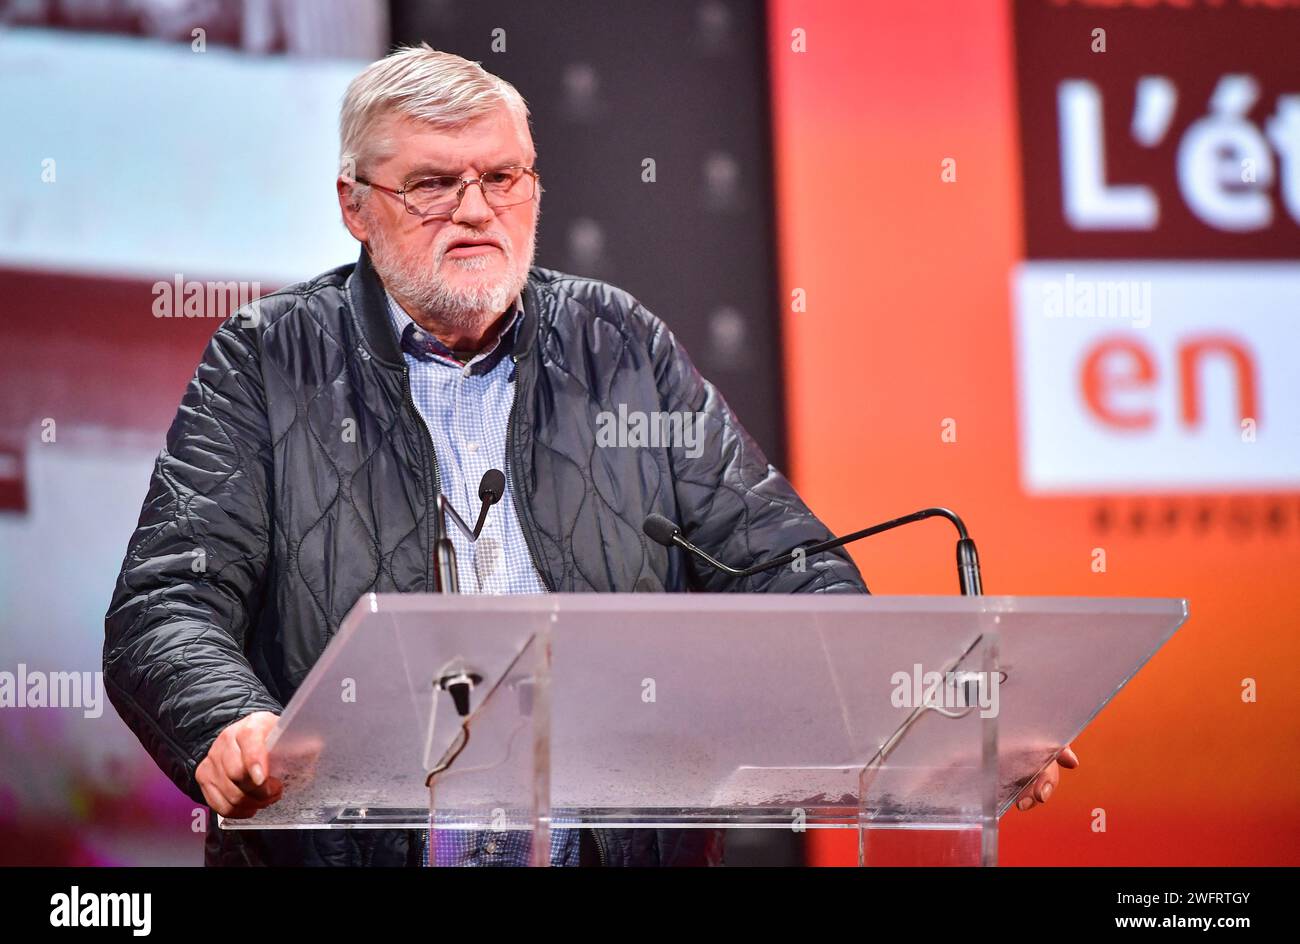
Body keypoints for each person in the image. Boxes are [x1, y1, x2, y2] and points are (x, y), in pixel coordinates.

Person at [103, 44, 1072, 867]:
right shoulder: (269, 358)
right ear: (355, 205)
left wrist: (926, 728)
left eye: (502, 176)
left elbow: (787, 570)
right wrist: (229, 719)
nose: (474, 209)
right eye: (433, 184)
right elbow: (167, 602)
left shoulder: (615, 341)